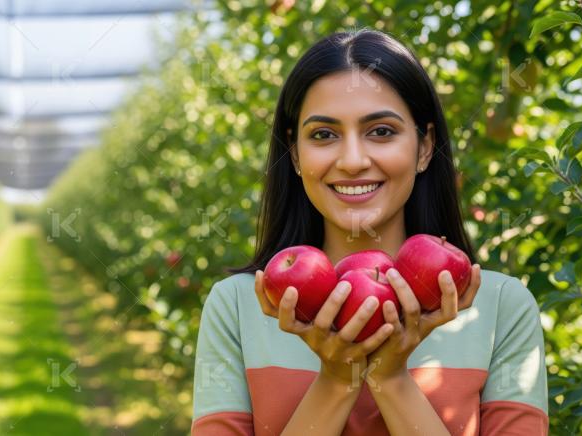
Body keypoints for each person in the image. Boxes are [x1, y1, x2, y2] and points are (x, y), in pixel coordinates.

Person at [191, 29, 548, 435]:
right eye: (324, 135)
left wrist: (392, 380)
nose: (353, 160)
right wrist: (339, 379)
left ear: (425, 146)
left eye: (381, 131)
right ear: (294, 153)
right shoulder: (241, 306)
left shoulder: (499, 307)